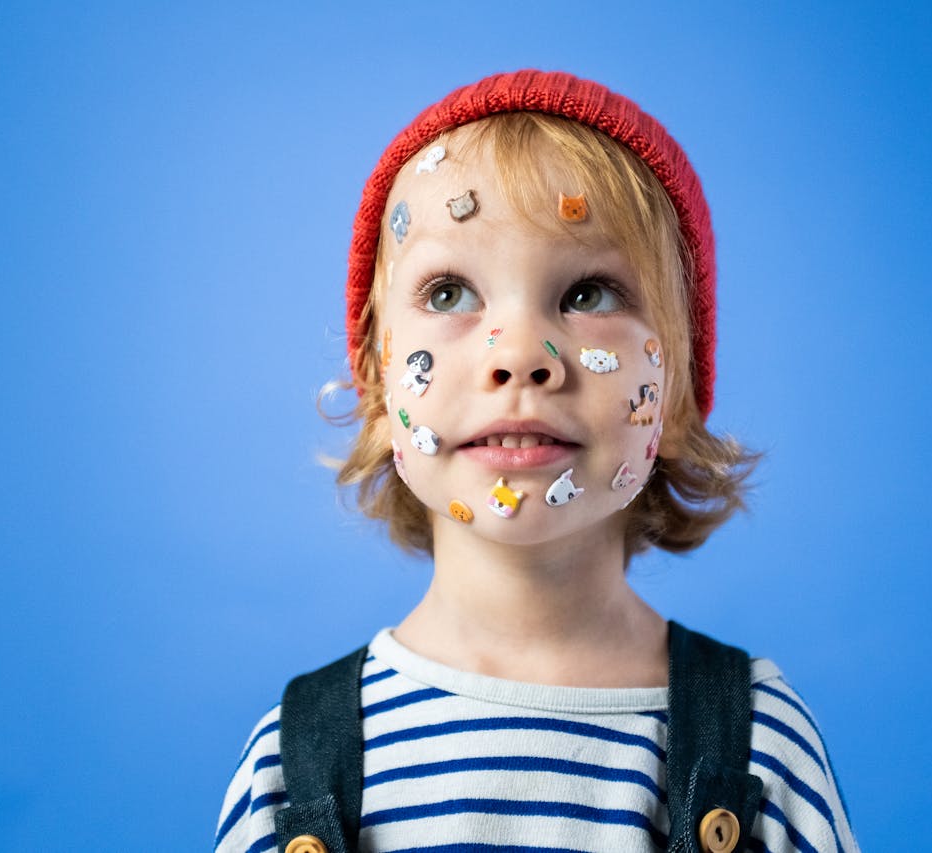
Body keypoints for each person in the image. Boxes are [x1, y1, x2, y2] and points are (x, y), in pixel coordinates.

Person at [214, 70, 858, 853]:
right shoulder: (292, 768)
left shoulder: (757, 745)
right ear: (379, 383)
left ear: (676, 387)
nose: (519, 355)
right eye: (450, 294)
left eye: (588, 293)